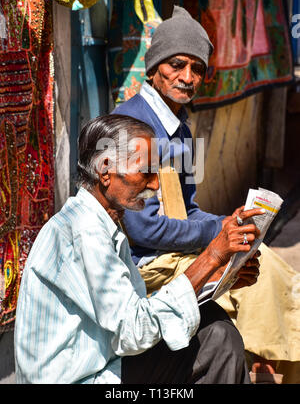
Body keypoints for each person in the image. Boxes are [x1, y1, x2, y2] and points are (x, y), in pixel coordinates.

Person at [112, 6, 300, 383]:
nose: (187, 77)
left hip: (174, 253)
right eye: (177, 65)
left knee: (276, 271)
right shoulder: (129, 126)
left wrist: (233, 224)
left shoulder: (182, 128)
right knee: (256, 288)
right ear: (153, 68)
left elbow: (190, 209)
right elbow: (142, 229)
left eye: (197, 69)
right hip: (144, 266)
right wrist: (218, 235)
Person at [14, 114, 262, 384]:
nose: (155, 185)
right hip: (80, 378)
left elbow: (132, 310)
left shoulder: (102, 223)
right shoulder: (84, 232)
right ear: (106, 170)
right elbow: (134, 331)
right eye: (146, 172)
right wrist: (211, 257)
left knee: (211, 320)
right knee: (217, 340)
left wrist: (217, 279)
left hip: (103, 362)